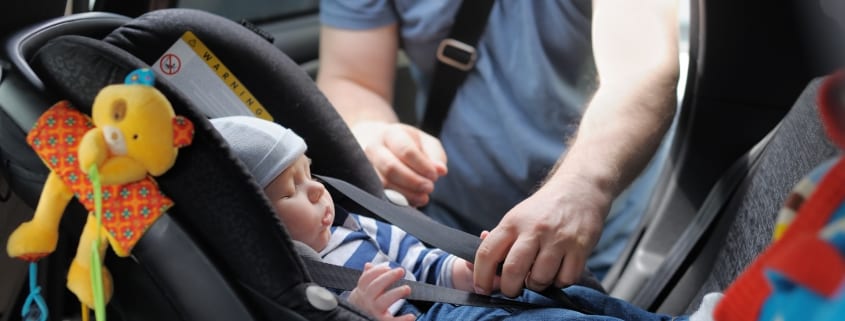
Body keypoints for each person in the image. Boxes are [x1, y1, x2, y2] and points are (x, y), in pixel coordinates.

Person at [316, 0, 680, 295]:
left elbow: (643, 68)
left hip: (600, 236)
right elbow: (351, 77)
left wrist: (583, 186)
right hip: (448, 231)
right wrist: (372, 131)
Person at [210, 116, 718, 321]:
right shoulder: (298, 280)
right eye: (291, 190)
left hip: (458, 299)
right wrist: (363, 310)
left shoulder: (354, 228)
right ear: (256, 219)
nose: (317, 190)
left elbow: (423, 261)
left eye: (310, 173)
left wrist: (475, 270)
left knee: (579, 300)